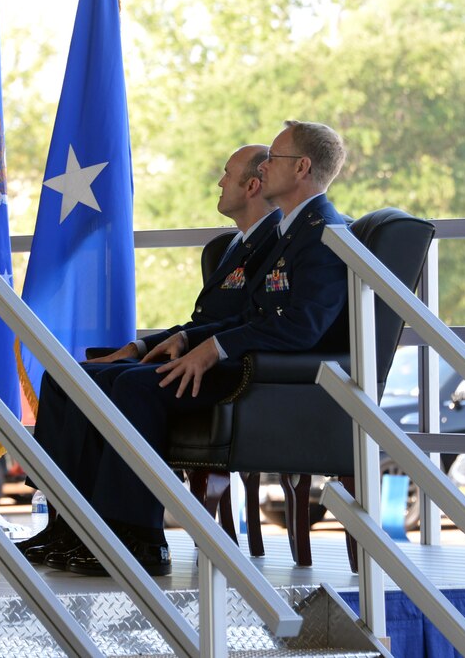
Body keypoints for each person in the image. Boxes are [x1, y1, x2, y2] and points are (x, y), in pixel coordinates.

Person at [28, 120, 349, 576]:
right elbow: (248, 314)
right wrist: (193, 339)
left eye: (273, 159)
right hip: (239, 359)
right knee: (92, 377)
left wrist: (215, 347)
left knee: (134, 387)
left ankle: (138, 537)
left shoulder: (321, 232)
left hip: (264, 377)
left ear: (301, 167)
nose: (265, 167)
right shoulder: (293, 232)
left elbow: (302, 326)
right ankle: (75, 527)